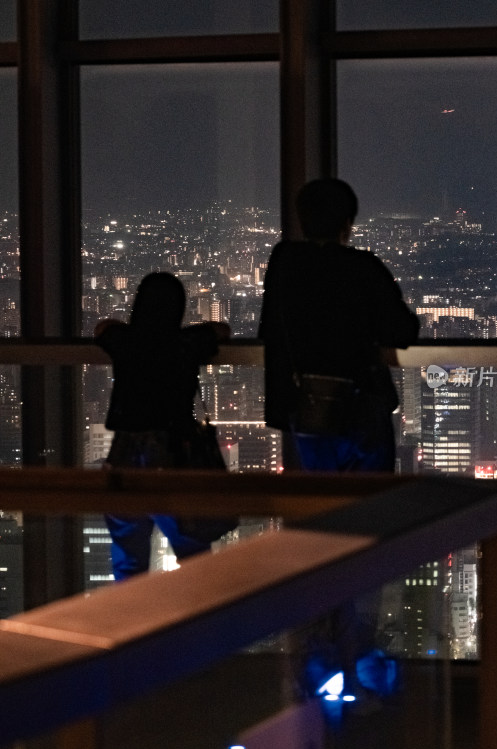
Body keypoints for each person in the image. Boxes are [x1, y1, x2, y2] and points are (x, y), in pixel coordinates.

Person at [259, 178, 419, 473]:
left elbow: (269, 329)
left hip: (308, 407)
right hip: (361, 404)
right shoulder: (363, 268)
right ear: (346, 224)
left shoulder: (284, 263)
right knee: (369, 505)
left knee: (324, 503)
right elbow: (402, 331)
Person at [95, 272, 236, 580]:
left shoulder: (126, 343)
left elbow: (102, 327)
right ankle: (195, 620)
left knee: (128, 559)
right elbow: (221, 330)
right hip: (176, 456)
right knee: (193, 551)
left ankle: (135, 623)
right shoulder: (186, 344)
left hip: (126, 456)